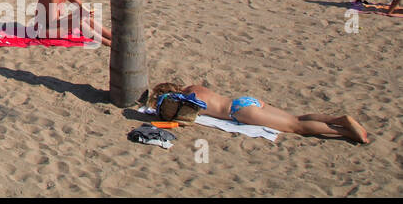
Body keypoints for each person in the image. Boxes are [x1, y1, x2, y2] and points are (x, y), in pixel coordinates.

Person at [149, 82, 367, 143]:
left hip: (239, 112)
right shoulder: (194, 88)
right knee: (295, 118)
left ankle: (346, 132)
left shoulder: (188, 102)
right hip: (246, 100)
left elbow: (186, 121)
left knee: (296, 128)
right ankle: (338, 120)